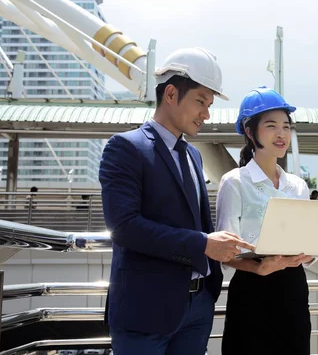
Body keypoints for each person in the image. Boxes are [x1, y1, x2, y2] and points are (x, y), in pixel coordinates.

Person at [99, 48, 255, 355]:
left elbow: (199, 223)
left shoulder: (193, 155)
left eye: (209, 105)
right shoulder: (125, 147)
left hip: (198, 308)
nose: (206, 114)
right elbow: (124, 227)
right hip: (145, 311)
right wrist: (202, 245)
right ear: (171, 94)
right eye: (201, 101)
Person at [217, 87, 315, 355]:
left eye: (286, 126)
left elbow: (308, 240)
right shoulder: (235, 182)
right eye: (271, 126)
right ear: (250, 132)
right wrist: (258, 268)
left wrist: (309, 251)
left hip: (293, 288)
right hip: (253, 289)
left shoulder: (297, 185)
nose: (281, 133)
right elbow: (224, 254)